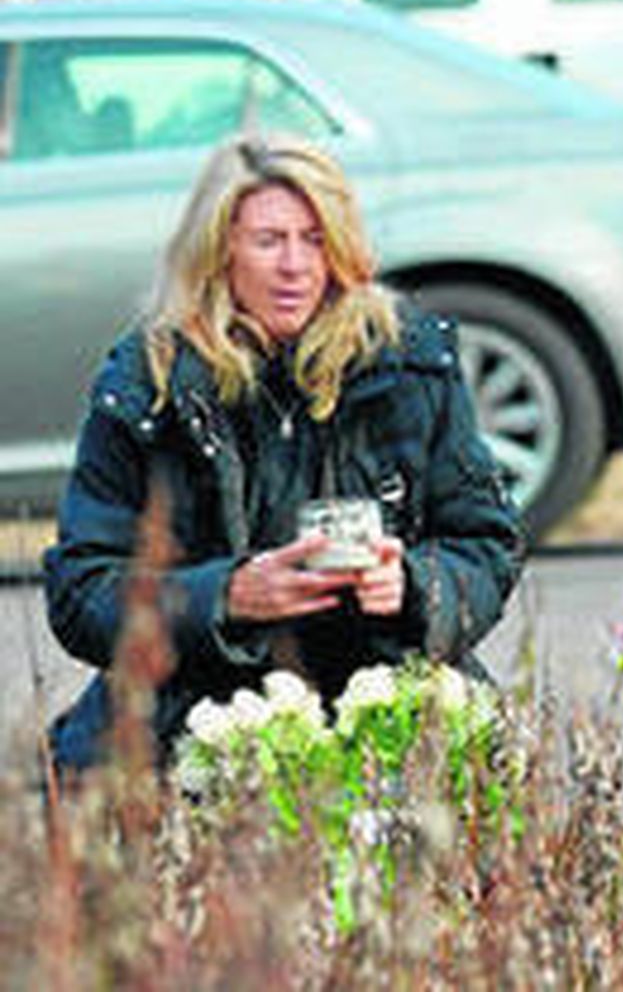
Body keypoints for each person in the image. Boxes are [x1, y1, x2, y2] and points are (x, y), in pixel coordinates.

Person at [44, 133, 524, 774]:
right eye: (268, 241)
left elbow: (487, 544)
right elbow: (80, 592)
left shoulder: (409, 359)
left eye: (315, 239)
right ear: (218, 250)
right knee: (90, 787)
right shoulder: (147, 380)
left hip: (380, 703)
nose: (295, 265)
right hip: (195, 711)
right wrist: (226, 597)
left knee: (485, 781)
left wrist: (410, 586)